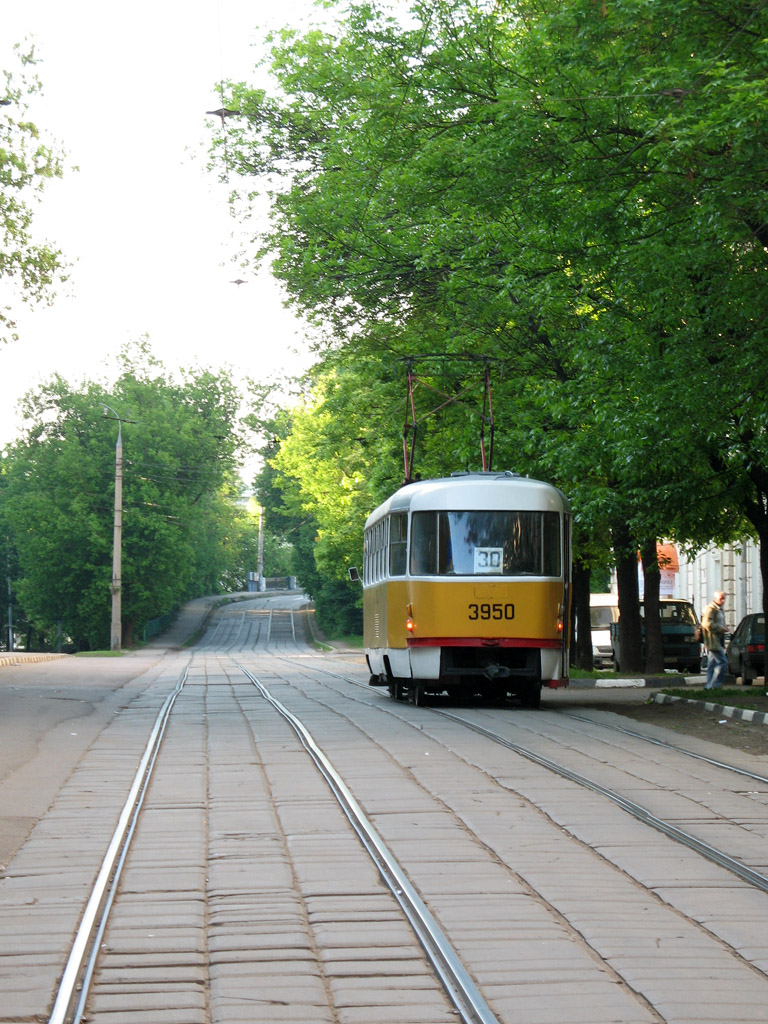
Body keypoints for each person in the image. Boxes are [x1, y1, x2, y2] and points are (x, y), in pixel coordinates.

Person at [701, 590, 728, 689]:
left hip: (717, 639)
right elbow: (706, 624)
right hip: (712, 639)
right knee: (723, 662)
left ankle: (708, 687)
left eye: (724, 598)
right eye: (721, 598)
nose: (723, 601)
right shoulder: (711, 609)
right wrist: (721, 628)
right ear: (715, 598)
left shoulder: (719, 609)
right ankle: (716, 685)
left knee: (712, 664)